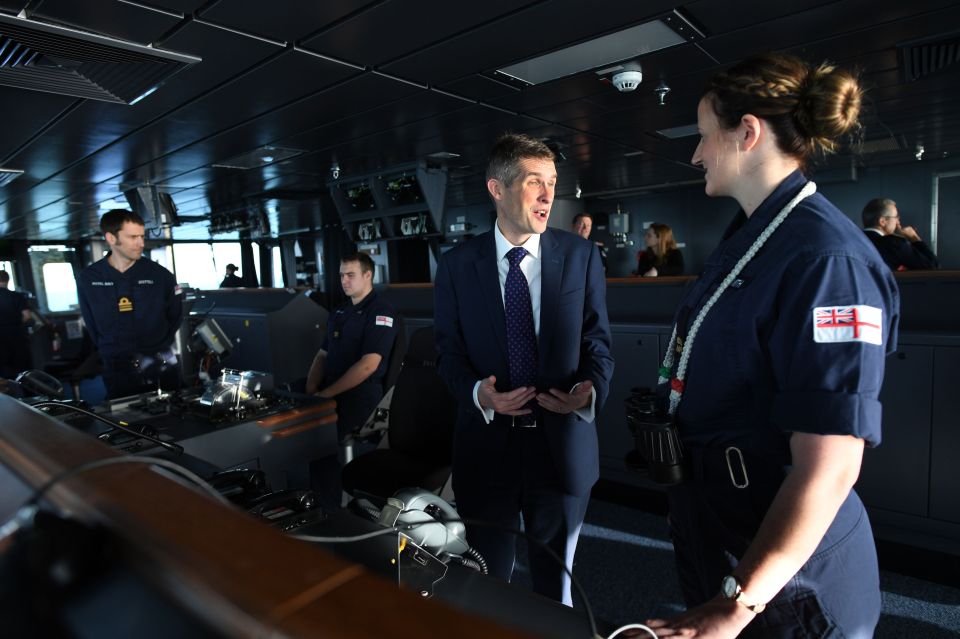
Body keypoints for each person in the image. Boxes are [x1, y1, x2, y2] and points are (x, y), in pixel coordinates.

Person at [635, 53, 899, 638]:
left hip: (790, 586)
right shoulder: (755, 238)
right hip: (726, 541)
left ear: (747, 133)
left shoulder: (830, 261)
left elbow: (830, 467)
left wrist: (738, 602)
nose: (698, 153)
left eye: (705, 136)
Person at [433, 133, 614, 605]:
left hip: (560, 447)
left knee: (556, 587)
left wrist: (588, 391)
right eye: (535, 181)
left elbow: (599, 345)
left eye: (553, 182)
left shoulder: (582, 257)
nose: (548, 195)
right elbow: (447, 354)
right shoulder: (455, 267)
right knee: (488, 581)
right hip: (487, 446)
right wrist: (479, 394)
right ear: (497, 188)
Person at [77, 209, 183, 399]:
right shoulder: (90, 278)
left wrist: (156, 345)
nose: (141, 243)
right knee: (124, 420)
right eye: (133, 237)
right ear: (111, 238)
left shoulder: (160, 275)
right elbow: (91, 323)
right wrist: (110, 348)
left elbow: (175, 316)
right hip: (116, 366)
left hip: (158, 363)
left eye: (142, 236)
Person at [305, 252, 398, 440]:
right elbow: (322, 355)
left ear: (368, 275)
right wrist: (311, 390)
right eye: (341, 275)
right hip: (329, 392)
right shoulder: (339, 311)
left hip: (360, 396)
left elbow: (368, 365)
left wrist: (325, 395)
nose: (344, 281)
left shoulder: (380, 311)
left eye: (350, 275)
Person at [862, 198, 939, 271]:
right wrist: (914, 238)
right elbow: (933, 266)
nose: (898, 222)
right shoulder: (894, 244)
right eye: (896, 217)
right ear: (883, 221)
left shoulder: (853, 240)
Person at [0, 270, 31, 379]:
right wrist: (16, 323)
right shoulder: (17, 296)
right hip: (17, 335)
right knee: (22, 370)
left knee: (3, 371)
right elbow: (27, 316)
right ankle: (28, 395)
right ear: (8, 280)